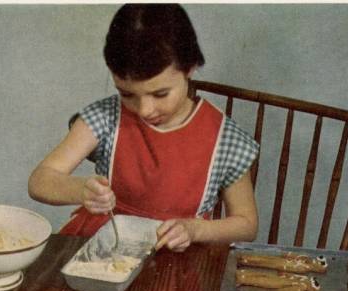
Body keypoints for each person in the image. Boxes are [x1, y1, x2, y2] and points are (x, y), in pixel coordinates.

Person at [28, 3, 259, 251]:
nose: (144, 110)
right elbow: (39, 181)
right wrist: (80, 189)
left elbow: (247, 224)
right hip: (103, 245)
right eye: (127, 94)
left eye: (160, 94)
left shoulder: (224, 138)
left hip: (178, 253)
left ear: (190, 68)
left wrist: (195, 229)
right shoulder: (107, 116)